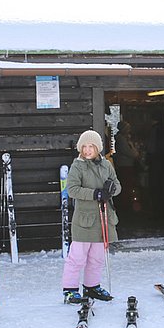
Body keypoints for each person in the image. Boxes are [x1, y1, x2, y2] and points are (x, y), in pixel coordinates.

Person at [62, 130, 122, 304]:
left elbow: (118, 185)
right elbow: (72, 189)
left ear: (98, 148)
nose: (87, 150)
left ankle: (92, 286)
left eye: (91, 146)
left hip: (103, 218)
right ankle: (70, 289)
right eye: (84, 147)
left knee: (97, 257)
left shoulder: (106, 165)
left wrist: (111, 189)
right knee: (77, 257)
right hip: (85, 220)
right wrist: (95, 194)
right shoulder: (77, 166)